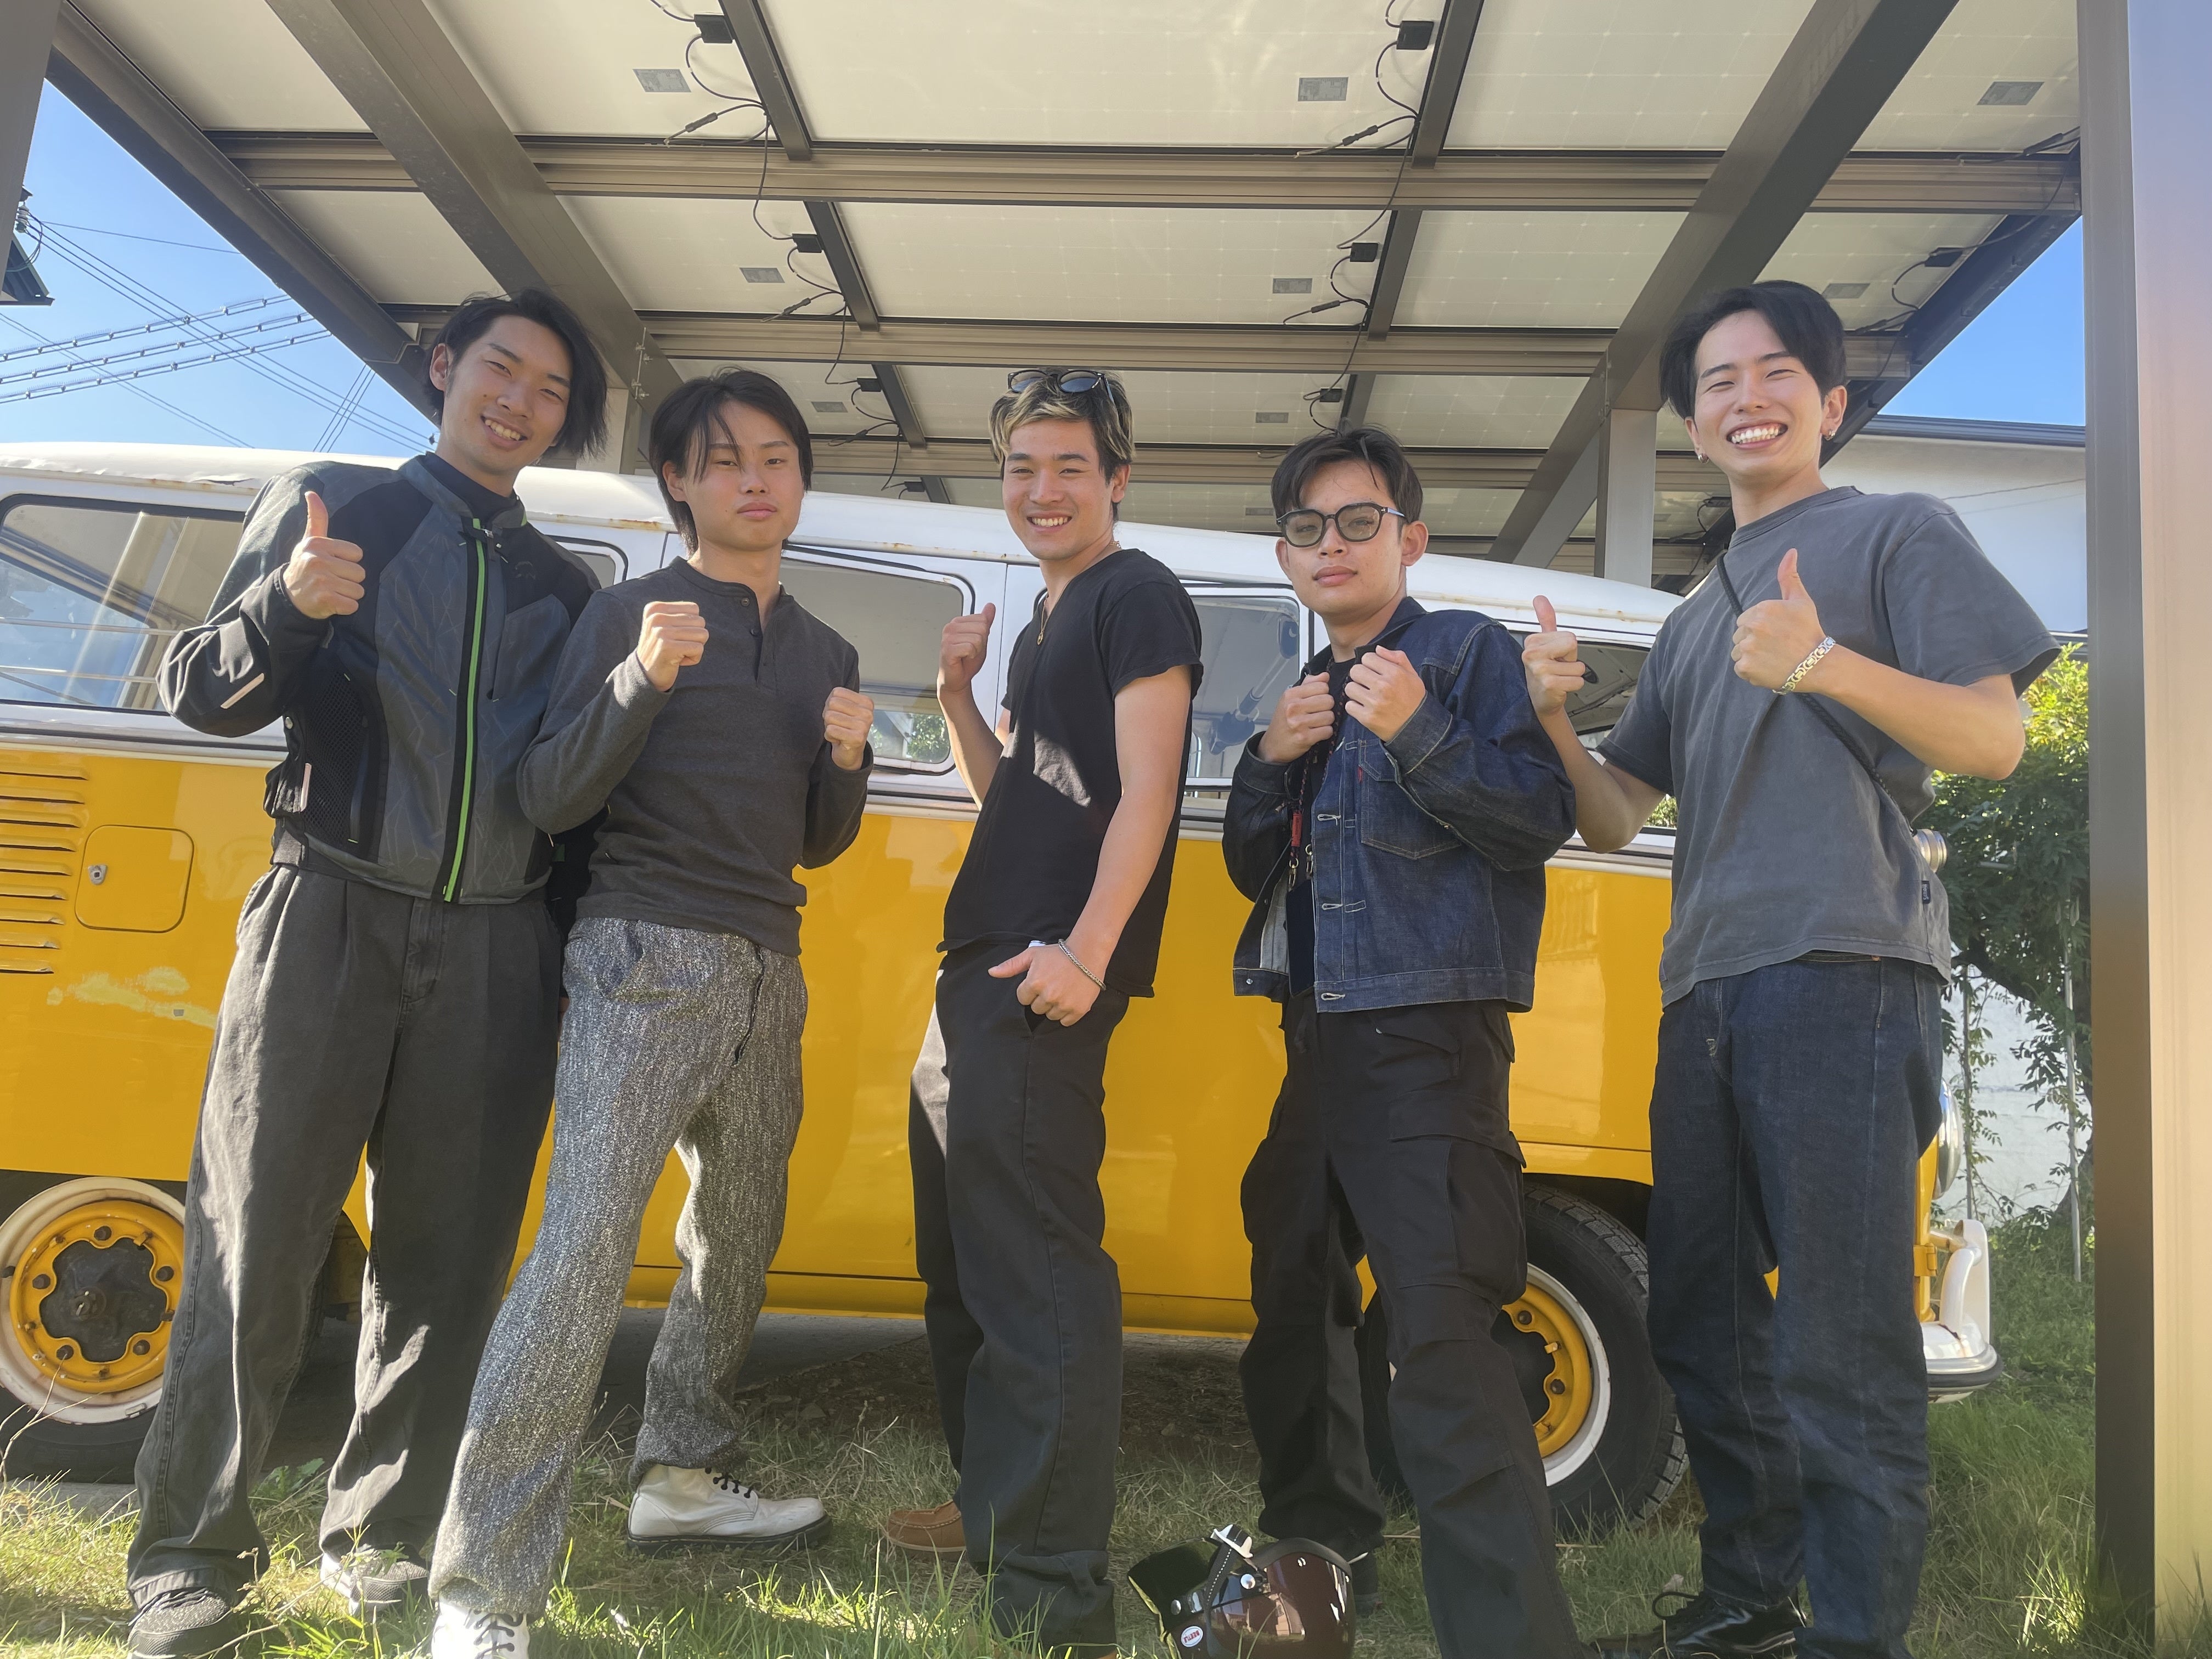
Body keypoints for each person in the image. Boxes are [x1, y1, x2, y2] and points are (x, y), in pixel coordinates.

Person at [1522, 281, 2057, 1659]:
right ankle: (1750, 1606)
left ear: (1829, 404)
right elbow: (1615, 816)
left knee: (1840, 1335)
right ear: (1695, 424)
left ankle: (1855, 1637)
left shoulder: (1897, 533)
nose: (1744, 397)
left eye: (1774, 374)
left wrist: (1823, 661)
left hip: (1847, 971)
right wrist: (1556, 725)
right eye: (1717, 381)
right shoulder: (1694, 620)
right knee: (1702, 1323)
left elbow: (1993, 740)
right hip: (1704, 987)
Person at [131, 290, 610, 1658]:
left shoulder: (568, 587)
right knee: (256, 1240)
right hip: (327, 911)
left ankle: (386, 1541)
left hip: (500, 945)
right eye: (500, 369)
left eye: (550, 390)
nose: (519, 402)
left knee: (449, 1266)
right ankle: (186, 1556)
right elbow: (198, 692)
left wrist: (562, 965)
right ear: (445, 369)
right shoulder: (338, 506)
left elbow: (576, 798)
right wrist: (287, 608)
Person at [425, 371, 873, 1659]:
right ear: (678, 482)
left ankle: (682, 1473)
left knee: (740, 1238)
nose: (754, 480)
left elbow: (817, 841)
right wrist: (639, 679)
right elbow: (551, 794)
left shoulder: (828, 652)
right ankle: (482, 1589)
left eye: (776, 457)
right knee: (581, 1255)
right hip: (643, 953)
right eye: (723, 460)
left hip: (769, 966)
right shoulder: (631, 611)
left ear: (800, 479)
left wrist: (849, 758)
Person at [1222, 426, 1582, 1658]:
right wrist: (1266, 762)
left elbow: (1539, 817)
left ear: (1410, 539)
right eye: (1308, 529)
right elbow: (1254, 871)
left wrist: (1422, 727)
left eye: (1359, 521)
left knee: (1441, 1335)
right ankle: (1314, 1576)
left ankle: (1512, 1639)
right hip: (1317, 1039)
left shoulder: (1463, 653)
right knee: (1290, 1302)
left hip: (1429, 1038)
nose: (1332, 544)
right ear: (1286, 558)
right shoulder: (1304, 695)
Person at [885, 369, 1202, 1656]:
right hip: (979, 962)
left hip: (1042, 972)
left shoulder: (1136, 594)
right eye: (1022, 467)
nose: (1043, 489)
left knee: (1039, 1274)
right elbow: (1017, 793)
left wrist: (1087, 950)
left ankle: (1057, 1590)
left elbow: (1149, 788)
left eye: (1070, 465)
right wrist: (957, 698)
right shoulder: (1042, 622)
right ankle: (992, 1508)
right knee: (964, 1265)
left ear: (1117, 479)